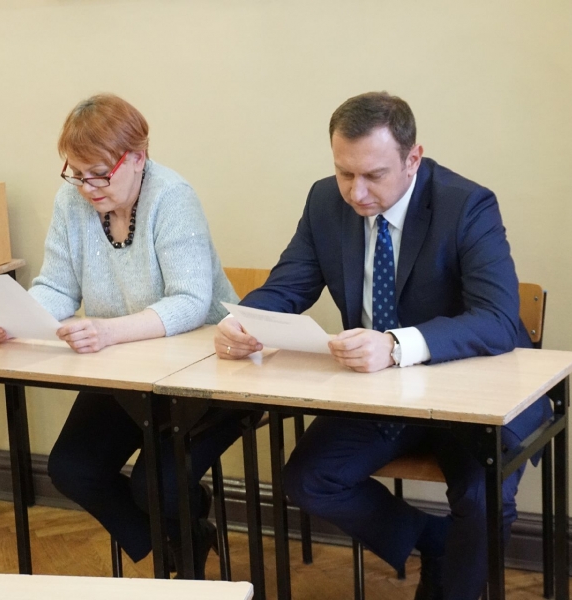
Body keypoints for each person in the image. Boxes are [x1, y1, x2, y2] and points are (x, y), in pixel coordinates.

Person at [214, 91, 550, 600]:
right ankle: (434, 543)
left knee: (482, 499)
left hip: (468, 393)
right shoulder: (325, 202)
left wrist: (395, 344)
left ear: (413, 158)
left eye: (373, 175)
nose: (356, 192)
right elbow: (287, 286)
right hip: (379, 393)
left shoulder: (466, 204)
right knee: (309, 478)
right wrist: (243, 321)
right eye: (344, 172)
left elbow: (499, 318)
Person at [0, 94, 240, 578]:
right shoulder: (72, 201)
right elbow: (58, 286)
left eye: (99, 174)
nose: (87, 187)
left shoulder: (172, 197)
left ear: (138, 157)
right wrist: (15, 317)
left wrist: (107, 331)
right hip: (125, 372)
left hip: (206, 374)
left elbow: (190, 301)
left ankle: (181, 542)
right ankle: (177, 538)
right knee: (72, 469)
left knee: (155, 485)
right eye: (77, 174)